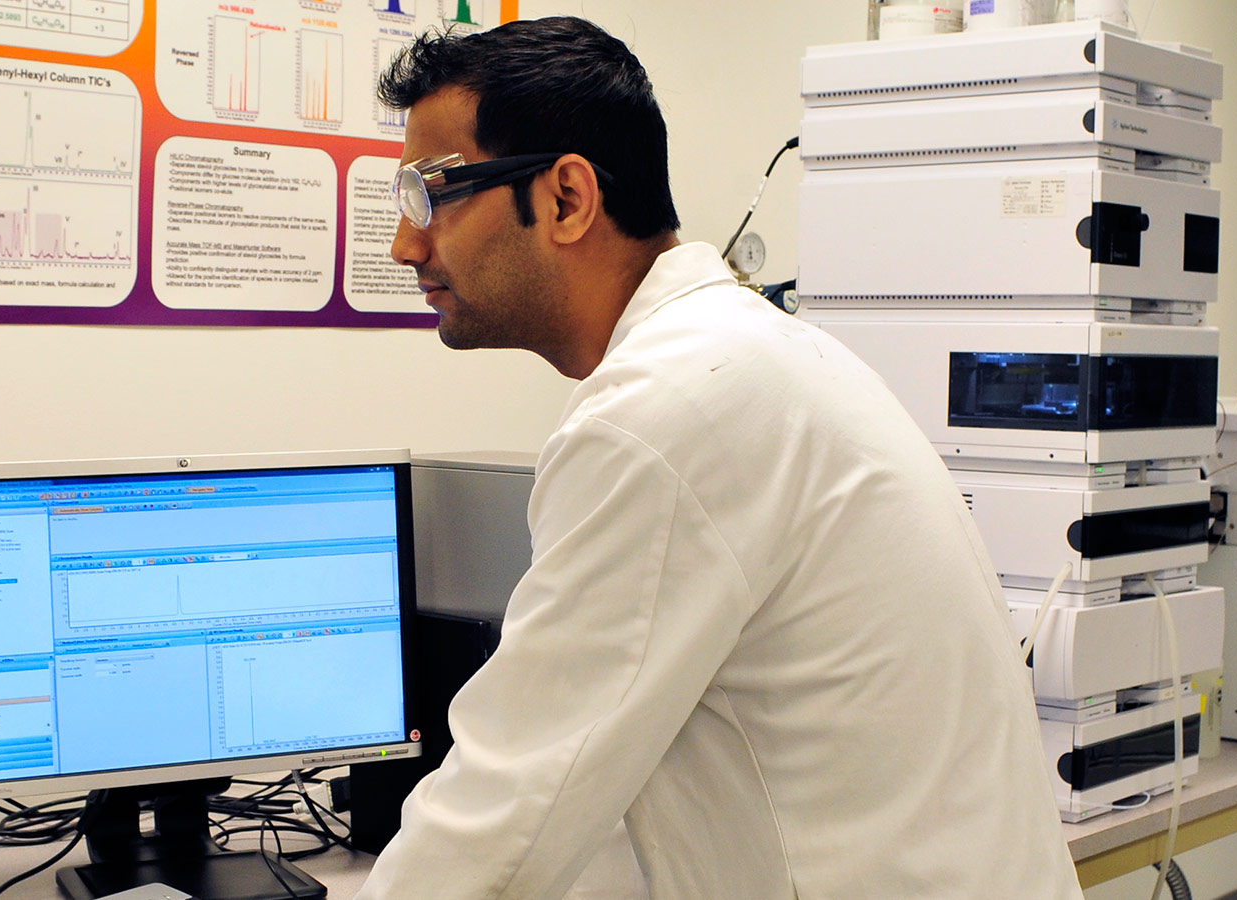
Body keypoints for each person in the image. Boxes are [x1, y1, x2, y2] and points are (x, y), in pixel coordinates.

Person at [359, 17, 1087, 900]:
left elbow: (503, 821)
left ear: (567, 199)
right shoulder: (744, 357)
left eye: (431, 193)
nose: (406, 243)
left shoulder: (662, 415)